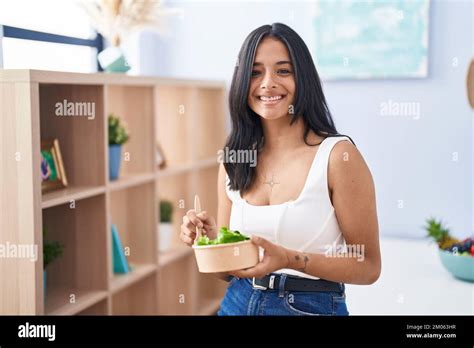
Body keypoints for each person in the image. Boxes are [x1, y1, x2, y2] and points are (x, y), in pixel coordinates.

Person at [180, 23, 381, 316]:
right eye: (255, 72)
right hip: (237, 302)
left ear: (304, 79)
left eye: (283, 71)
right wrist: (210, 242)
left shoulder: (338, 157)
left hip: (308, 307)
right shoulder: (233, 158)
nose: (267, 83)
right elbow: (226, 272)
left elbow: (369, 266)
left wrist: (288, 259)